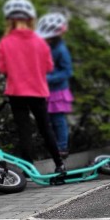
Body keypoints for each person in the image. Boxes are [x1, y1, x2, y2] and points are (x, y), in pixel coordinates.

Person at [0, 0, 65, 173]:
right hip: (38, 91)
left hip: (16, 92)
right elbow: (49, 67)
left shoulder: (5, 42)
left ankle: (28, 168)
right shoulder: (40, 42)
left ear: (10, 19)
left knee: (24, 130)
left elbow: (2, 68)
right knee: (45, 128)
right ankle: (59, 164)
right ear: (31, 19)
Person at [36, 12, 73, 157]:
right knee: (48, 120)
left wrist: (47, 78)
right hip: (45, 89)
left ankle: (62, 147)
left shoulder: (61, 50)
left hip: (57, 91)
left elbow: (67, 71)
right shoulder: (47, 45)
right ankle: (52, 146)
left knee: (58, 120)